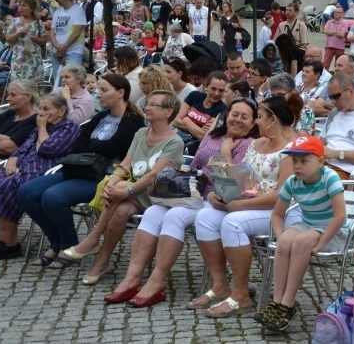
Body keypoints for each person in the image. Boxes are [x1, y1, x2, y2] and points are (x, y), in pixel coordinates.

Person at [104, 97, 257, 309]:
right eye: (234, 114)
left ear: (253, 122)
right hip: (194, 193)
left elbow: (233, 184)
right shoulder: (213, 136)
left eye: (244, 116)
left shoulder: (250, 145)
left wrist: (225, 152)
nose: (238, 120)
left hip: (217, 202)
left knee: (174, 216)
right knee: (154, 212)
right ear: (226, 115)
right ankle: (132, 278)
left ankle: (156, 281)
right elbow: (195, 165)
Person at [188, 95, 300, 315]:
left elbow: (282, 195)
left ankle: (241, 295)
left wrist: (240, 206)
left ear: (273, 120)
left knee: (233, 223)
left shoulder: (291, 149)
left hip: (280, 212)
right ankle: (220, 285)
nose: (257, 121)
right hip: (250, 204)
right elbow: (241, 180)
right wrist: (219, 195)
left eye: (259, 116)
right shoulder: (258, 143)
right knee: (205, 218)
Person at [19, 74, 144, 268]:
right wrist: (96, 146)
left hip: (104, 176)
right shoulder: (102, 115)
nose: (98, 94)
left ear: (120, 93)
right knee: (26, 192)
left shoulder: (133, 119)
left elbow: (117, 147)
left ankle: (69, 245)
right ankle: (57, 241)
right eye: (98, 90)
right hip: (79, 168)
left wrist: (92, 145)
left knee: (53, 197)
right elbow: (77, 144)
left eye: (104, 90)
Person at [60, 90, 184, 284]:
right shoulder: (141, 133)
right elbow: (126, 164)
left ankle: (92, 239)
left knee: (122, 188)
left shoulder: (175, 142)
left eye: (153, 105)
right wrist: (111, 183)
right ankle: (102, 261)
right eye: (147, 103)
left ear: (168, 112)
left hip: (159, 196)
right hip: (134, 193)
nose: (146, 107)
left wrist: (126, 189)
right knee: (120, 210)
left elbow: (154, 176)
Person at [256, 136, 347, 332]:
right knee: (287, 239)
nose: (297, 166)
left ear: (320, 161)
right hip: (308, 224)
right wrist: (281, 237)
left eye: (304, 161)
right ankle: (277, 301)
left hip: (334, 231)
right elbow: (277, 215)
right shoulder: (292, 181)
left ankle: (288, 305)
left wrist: (321, 243)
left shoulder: (329, 178)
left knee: (301, 241)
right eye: (294, 161)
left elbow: (340, 217)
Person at [0, 94, 80, 260]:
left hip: (43, 171)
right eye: (40, 109)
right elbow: (22, 149)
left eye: (46, 109)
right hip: (23, 167)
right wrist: (12, 160)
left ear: (61, 111)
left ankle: (9, 243)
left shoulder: (69, 127)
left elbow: (48, 149)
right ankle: (3, 236)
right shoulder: (40, 126)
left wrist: (41, 128)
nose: (41, 113)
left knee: (5, 186)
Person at [49, 0, 87, 87]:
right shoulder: (57, 12)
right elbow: (52, 32)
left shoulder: (78, 10)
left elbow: (76, 32)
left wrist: (64, 47)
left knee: (71, 81)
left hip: (73, 51)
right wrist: (57, 46)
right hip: (56, 52)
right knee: (57, 81)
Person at [173, 71, 227, 142]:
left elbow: (203, 135)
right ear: (206, 86)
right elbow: (176, 121)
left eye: (221, 90)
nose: (217, 93)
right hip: (177, 137)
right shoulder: (194, 96)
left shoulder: (222, 109)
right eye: (213, 89)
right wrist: (197, 129)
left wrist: (186, 120)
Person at [0, 80, 39, 159]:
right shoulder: (11, 113)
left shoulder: (35, 121)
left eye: (13, 95)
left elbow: (9, 148)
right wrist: (4, 138)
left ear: (28, 97)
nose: (7, 98)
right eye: (8, 94)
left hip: (5, 163)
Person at [6, 0, 47, 82]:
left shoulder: (38, 23)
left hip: (34, 58)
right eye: (20, 5)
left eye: (24, 5)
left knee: (34, 84)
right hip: (19, 58)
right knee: (18, 84)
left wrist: (35, 39)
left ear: (31, 8)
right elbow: (8, 39)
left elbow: (44, 40)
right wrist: (18, 32)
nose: (20, 7)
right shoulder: (15, 21)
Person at [323, 5, 349, 70]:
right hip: (329, 46)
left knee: (339, 65)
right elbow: (325, 31)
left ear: (342, 14)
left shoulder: (344, 23)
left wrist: (330, 32)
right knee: (325, 64)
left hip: (339, 47)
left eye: (338, 12)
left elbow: (342, 34)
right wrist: (336, 31)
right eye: (335, 12)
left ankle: (338, 78)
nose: (336, 13)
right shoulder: (329, 22)